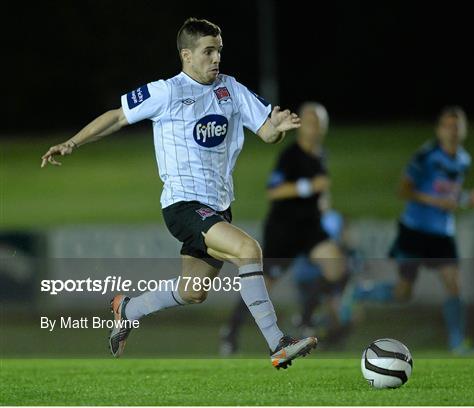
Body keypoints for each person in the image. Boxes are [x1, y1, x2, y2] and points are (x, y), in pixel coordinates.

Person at [40, 17, 317, 369]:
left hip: (218, 208)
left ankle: (128, 308)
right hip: (183, 205)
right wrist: (72, 142)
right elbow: (117, 117)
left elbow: (265, 132)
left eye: (218, 50)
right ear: (187, 55)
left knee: (193, 291)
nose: (216, 58)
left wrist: (277, 129)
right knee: (249, 250)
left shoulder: (230, 88)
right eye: (208, 51)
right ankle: (278, 342)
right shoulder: (166, 91)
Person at [340, 106, 474, 354]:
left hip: (442, 233)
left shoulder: (464, 159)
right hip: (415, 230)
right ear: (439, 130)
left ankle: (457, 343)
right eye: (447, 126)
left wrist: (467, 199)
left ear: (464, 130)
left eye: (457, 126)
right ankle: (360, 290)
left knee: (454, 284)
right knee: (403, 292)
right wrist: (437, 202)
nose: (452, 131)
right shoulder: (426, 156)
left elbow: (448, 194)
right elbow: (403, 190)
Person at [220, 102, 347, 355]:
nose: (314, 128)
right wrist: (308, 187)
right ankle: (231, 330)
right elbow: (274, 190)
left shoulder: (320, 154)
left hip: (310, 228)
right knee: (263, 286)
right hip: (284, 230)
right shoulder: (290, 156)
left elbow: (321, 190)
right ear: (301, 126)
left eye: (319, 123)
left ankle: (306, 317)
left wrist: (322, 200)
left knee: (337, 267)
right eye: (310, 122)